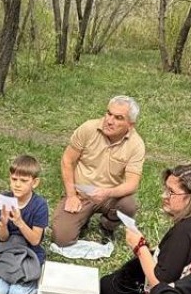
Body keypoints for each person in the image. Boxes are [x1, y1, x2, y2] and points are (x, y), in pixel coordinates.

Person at [100, 164, 191, 294]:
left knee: (106, 285)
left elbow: (159, 284)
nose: (164, 196)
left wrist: (139, 246)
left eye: (171, 192)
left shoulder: (185, 232)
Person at [49, 97, 146, 247]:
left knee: (128, 205)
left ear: (130, 124)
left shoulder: (136, 144)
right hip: (81, 194)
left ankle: (107, 226)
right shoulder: (88, 128)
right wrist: (71, 195)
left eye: (118, 118)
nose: (109, 121)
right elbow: (67, 160)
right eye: (109, 113)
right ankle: (82, 220)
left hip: (110, 197)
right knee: (61, 240)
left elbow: (132, 184)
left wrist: (107, 193)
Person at [0, 154, 49, 294]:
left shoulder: (40, 205)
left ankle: (30, 280)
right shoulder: (5, 199)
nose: (17, 184)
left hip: (30, 251)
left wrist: (20, 222)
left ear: (35, 182)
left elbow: (35, 240)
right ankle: (2, 275)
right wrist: (3, 224)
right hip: (8, 248)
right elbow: (3, 238)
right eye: (14, 179)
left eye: (23, 181)